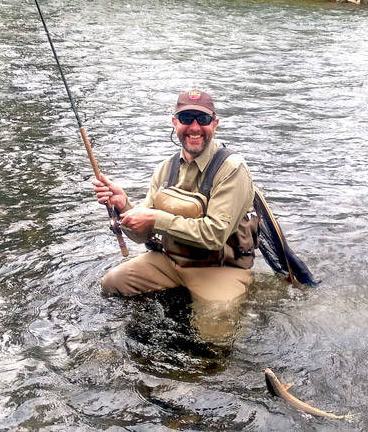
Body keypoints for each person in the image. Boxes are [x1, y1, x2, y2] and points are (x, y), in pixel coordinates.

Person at [92, 89, 259, 342]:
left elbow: (214, 235)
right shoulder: (164, 169)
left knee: (213, 341)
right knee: (112, 284)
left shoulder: (232, 169)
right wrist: (124, 205)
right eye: (186, 118)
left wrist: (157, 219)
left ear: (215, 124)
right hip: (171, 262)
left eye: (202, 120)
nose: (194, 127)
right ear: (174, 123)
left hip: (220, 267)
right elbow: (142, 235)